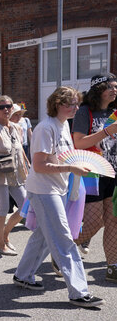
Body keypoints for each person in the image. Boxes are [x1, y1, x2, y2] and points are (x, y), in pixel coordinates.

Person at [13, 86, 105, 308]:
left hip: (56, 189)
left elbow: (62, 158)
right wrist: (71, 168)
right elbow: (40, 165)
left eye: (76, 103)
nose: (75, 107)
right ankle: (79, 292)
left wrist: (74, 165)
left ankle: (23, 275)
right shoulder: (46, 128)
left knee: (44, 236)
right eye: (69, 103)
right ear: (57, 104)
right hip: (45, 191)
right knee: (63, 238)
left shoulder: (63, 125)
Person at [70, 73, 117, 282]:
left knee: (114, 221)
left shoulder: (115, 111)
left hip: (114, 173)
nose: (115, 90)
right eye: (111, 87)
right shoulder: (84, 112)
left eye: (116, 87)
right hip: (93, 173)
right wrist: (106, 131)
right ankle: (63, 250)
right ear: (99, 89)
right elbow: (79, 143)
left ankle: (112, 267)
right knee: (93, 223)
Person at [0, 95, 28, 255]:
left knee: (25, 207)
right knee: (2, 210)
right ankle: (0, 244)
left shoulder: (17, 127)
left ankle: (5, 234)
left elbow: (20, 151)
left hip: (16, 174)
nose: (6, 109)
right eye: (2, 107)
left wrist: (27, 170)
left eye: (8, 106)